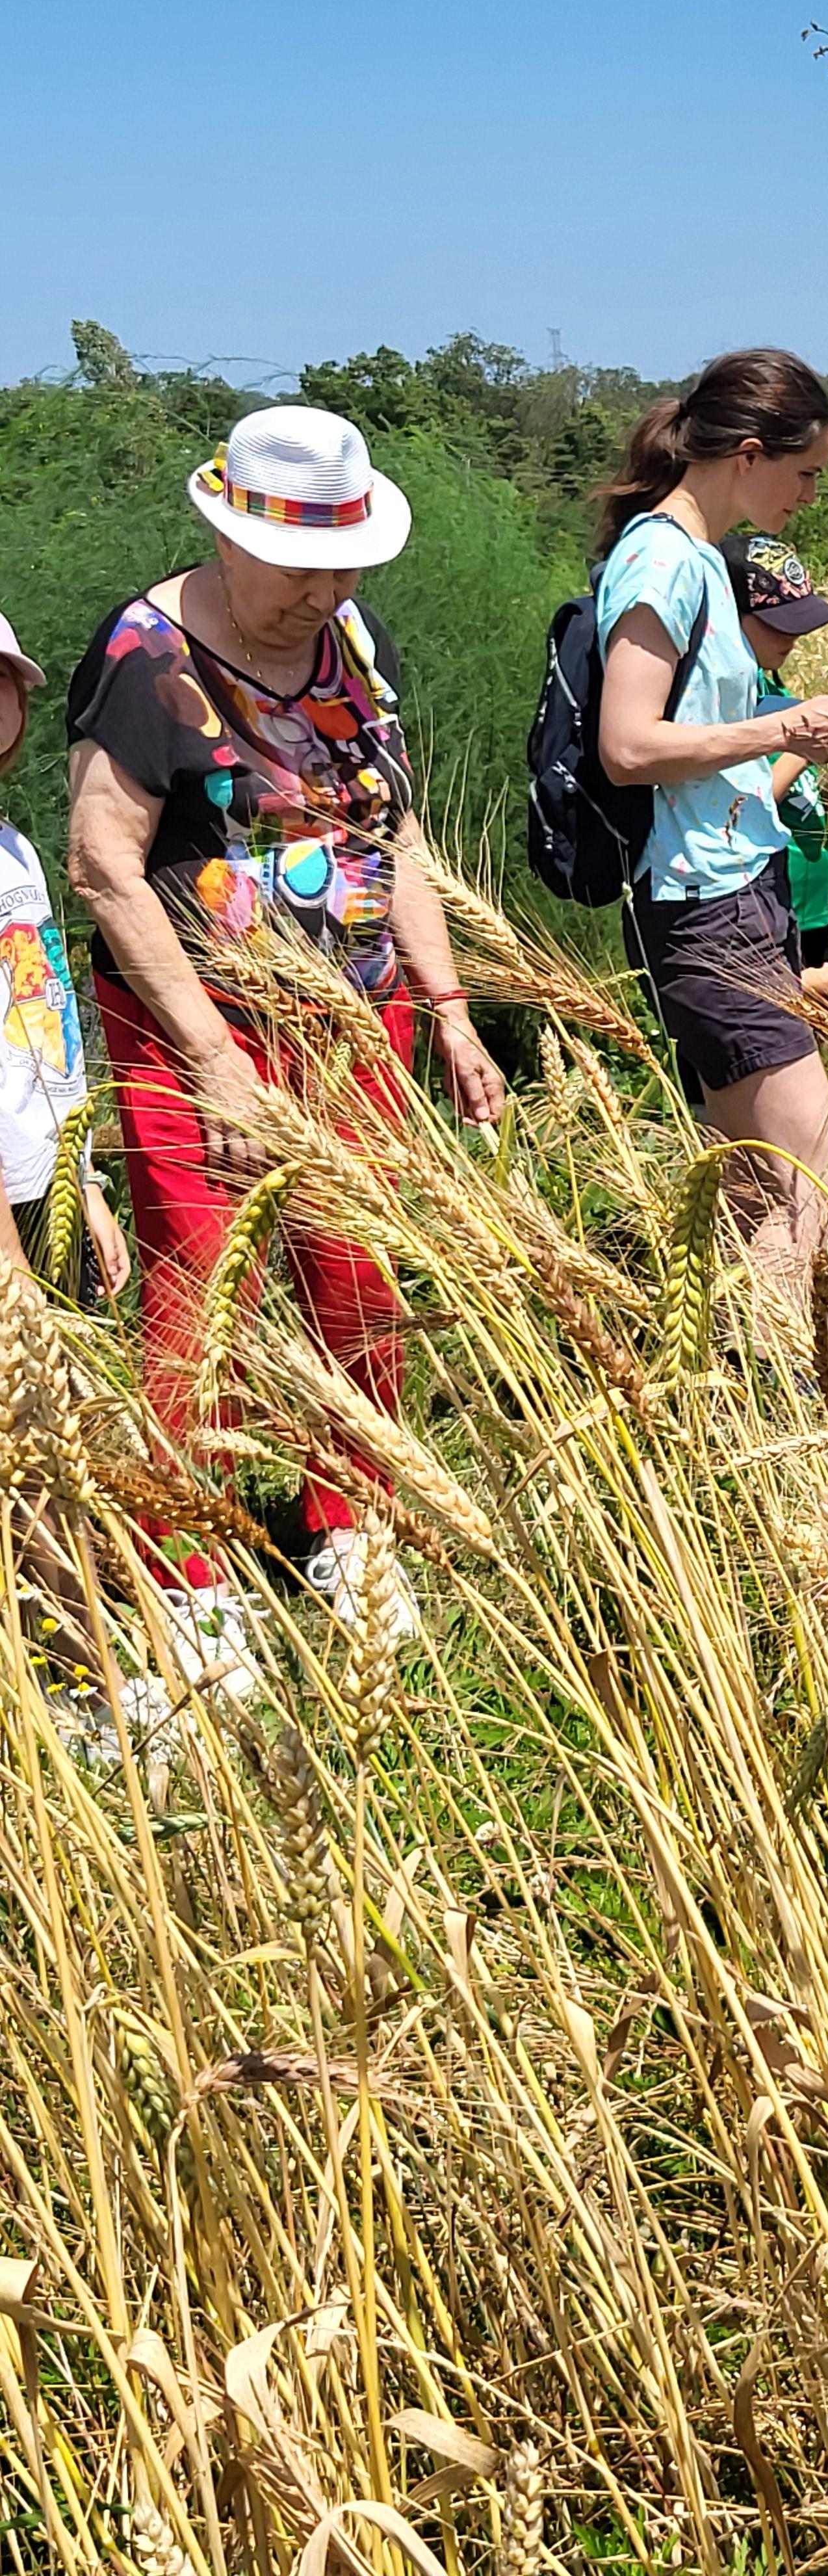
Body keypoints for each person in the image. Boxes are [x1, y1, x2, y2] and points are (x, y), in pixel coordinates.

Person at [67, 405, 506, 1687]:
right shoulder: (147, 654)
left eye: (350, 561)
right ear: (228, 533)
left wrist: (454, 1007)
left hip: (355, 1014)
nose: (330, 586)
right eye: (306, 564)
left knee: (360, 1284)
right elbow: (104, 865)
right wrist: (208, 1053)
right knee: (197, 1298)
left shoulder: (352, 642)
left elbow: (398, 840)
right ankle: (191, 1583)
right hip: (196, 1026)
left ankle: (352, 1523)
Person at [593, 351, 828, 1270]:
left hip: (725, 893)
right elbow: (627, 747)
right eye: (807, 473)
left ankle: (750, 1393)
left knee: (757, 1193)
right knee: (824, 1192)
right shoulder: (662, 562)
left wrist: (787, 740)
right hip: (705, 906)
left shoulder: (692, 559)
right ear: (748, 454)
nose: (811, 495)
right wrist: (782, 726)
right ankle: (812, 1391)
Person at [0, 613, 128, 1304]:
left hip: (48, 1185)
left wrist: (84, 1184)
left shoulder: (14, 847)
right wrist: (9, 1255)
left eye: (1, 682)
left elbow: (49, 1040)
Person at [721, 532, 828, 995]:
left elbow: (811, 801)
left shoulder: (777, 692)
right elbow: (743, 807)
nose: (791, 637)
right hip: (767, 900)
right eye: (776, 624)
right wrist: (802, 745)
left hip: (811, 903)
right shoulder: (733, 700)